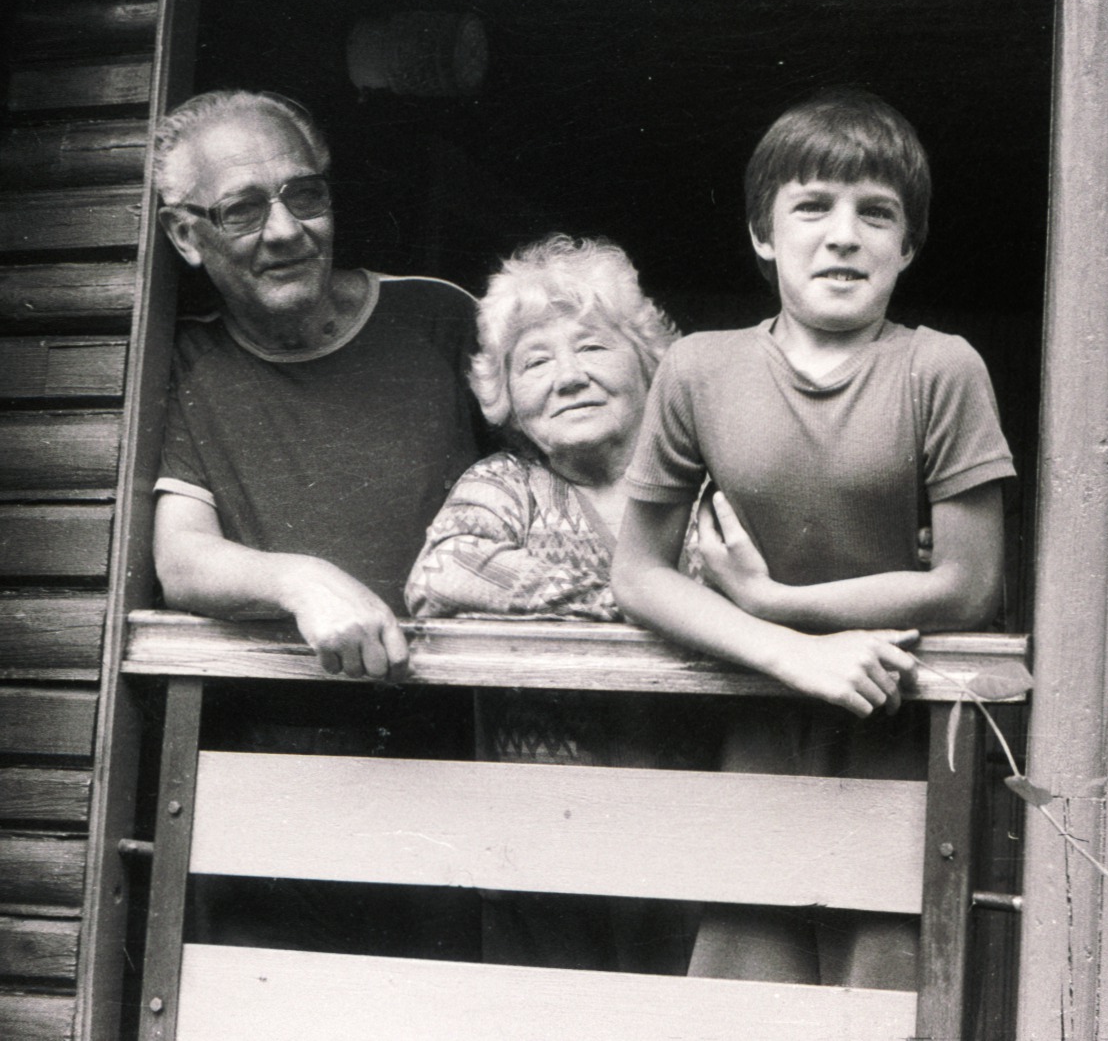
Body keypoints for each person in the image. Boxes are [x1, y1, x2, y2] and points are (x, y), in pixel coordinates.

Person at [611, 87, 1016, 990]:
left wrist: (779, 602)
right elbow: (636, 574)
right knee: (745, 989)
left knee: (890, 984)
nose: (844, 235)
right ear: (764, 233)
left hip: (899, 723)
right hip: (759, 721)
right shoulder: (698, 369)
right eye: (813, 207)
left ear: (906, 246)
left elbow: (969, 583)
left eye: (877, 214)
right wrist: (784, 650)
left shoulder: (940, 368)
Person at [150, 89, 479, 956]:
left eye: (306, 195)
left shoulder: (439, 319)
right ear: (187, 237)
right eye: (243, 209)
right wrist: (299, 577)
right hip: (266, 768)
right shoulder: (187, 361)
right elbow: (180, 559)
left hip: (459, 753)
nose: (287, 229)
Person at [406, 232, 704, 973]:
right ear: (504, 396)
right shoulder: (506, 484)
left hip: (700, 842)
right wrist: (650, 598)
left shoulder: (711, 489)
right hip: (542, 851)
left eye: (594, 349)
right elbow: (443, 571)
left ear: (648, 362)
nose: (567, 377)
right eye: (535, 361)